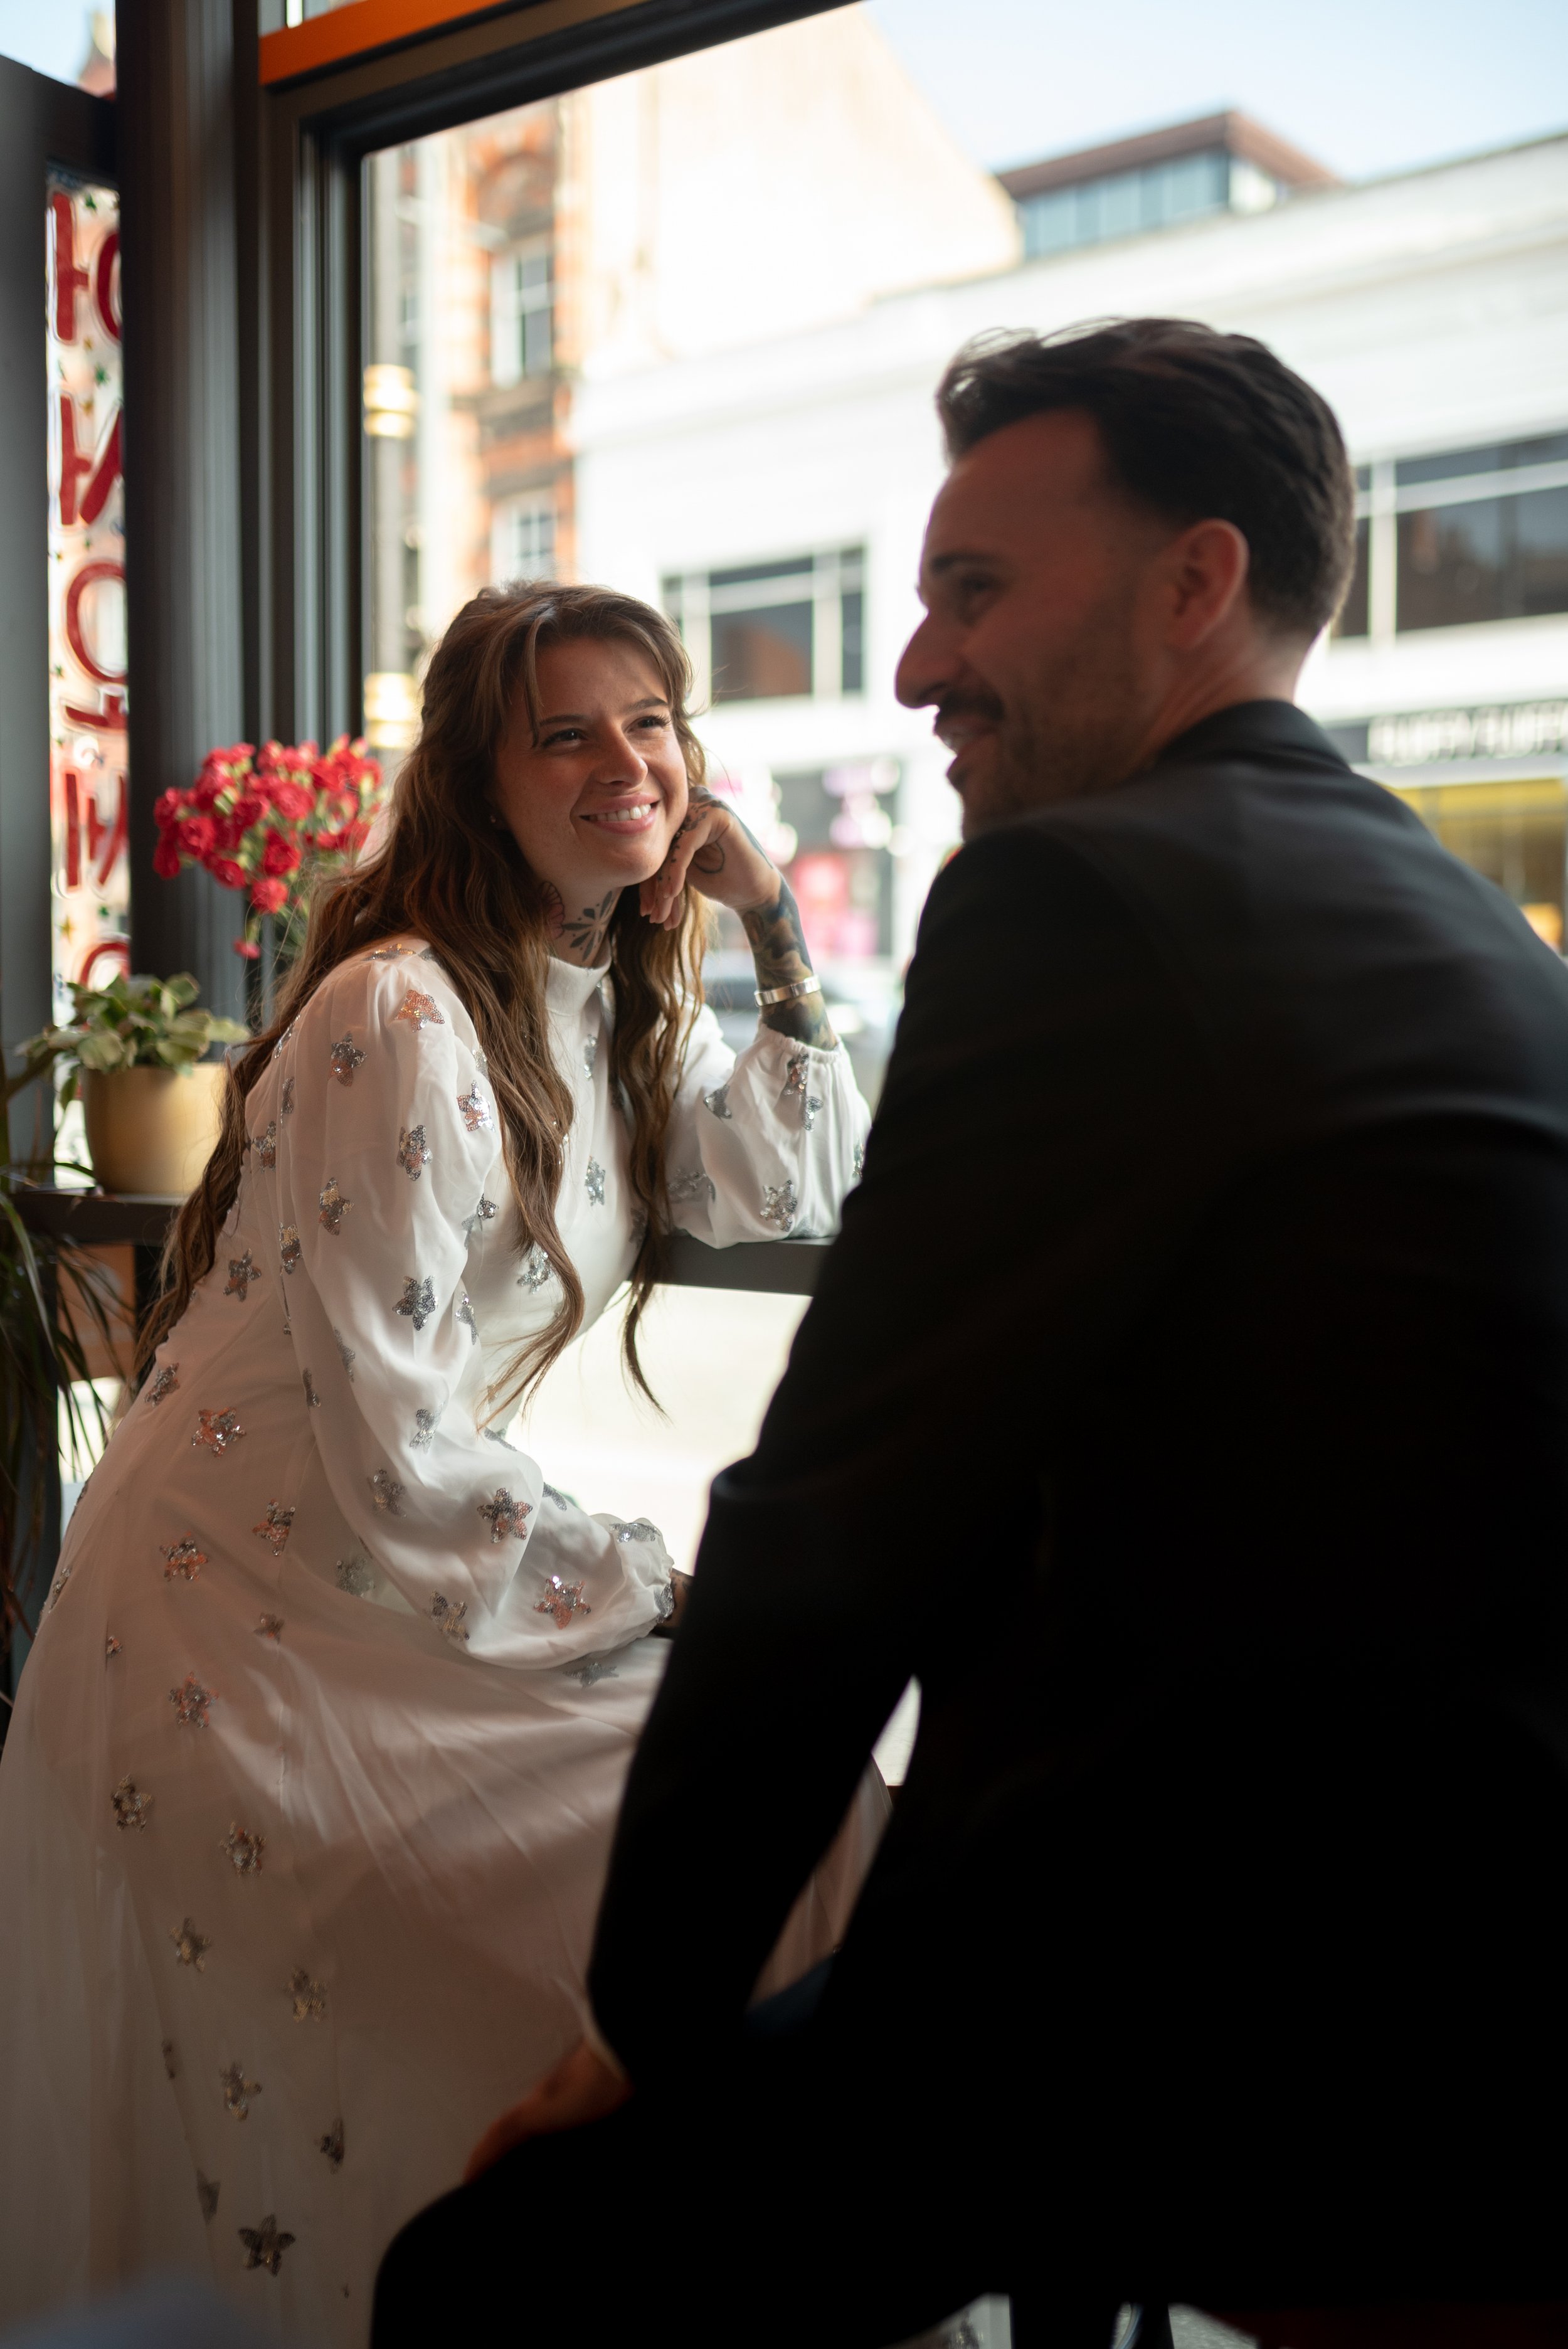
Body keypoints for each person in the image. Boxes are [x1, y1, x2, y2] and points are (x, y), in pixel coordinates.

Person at [376, 320, 1568, 2349]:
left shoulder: (1075, 893)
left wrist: (646, 2022)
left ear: (1194, 583)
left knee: (488, 2277)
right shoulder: (1448, 907)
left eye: (973, 590)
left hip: (1308, 1977)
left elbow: (841, 1512)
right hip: (1475, 1910)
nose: (916, 665)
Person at [0, 583, 881, 2341]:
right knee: (729, 1835)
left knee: (803, 1808)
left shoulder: (612, 996)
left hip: (396, 1582)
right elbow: (399, 1445)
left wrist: (770, 919)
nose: (629, 762)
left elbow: (788, 1184)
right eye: (568, 734)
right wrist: (664, 1584)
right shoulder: (399, 1010)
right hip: (240, 1613)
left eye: (653, 722)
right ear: (480, 782)